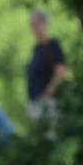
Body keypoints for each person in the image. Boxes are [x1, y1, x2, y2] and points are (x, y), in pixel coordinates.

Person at [26, 9, 67, 137]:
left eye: (37, 23)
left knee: (50, 135)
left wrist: (51, 89)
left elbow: (60, 70)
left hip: (46, 102)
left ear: (45, 24)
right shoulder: (37, 48)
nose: (35, 28)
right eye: (32, 24)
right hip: (34, 100)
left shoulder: (53, 45)